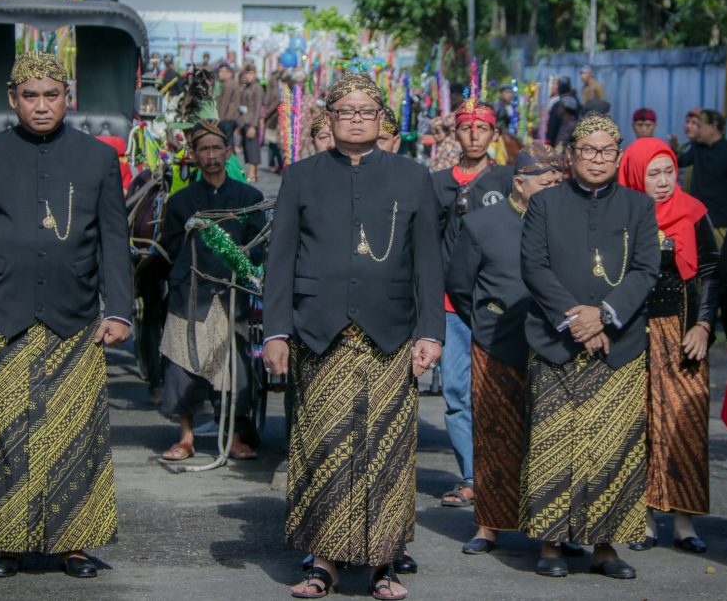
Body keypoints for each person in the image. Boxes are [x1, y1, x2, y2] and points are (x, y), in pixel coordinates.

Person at [0, 51, 132, 579]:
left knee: (74, 432)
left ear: (68, 97)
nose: (41, 106)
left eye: (51, 95)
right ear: (12, 99)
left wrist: (119, 309)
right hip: (4, 315)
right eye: (30, 96)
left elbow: (114, 239)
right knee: (5, 432)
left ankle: (74, 544)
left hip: (75, 318)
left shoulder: (97, 157)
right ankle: (6, 542)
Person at [263, 72, 443, 600]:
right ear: (331, 118)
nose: (357, 119)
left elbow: (427, 263)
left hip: (391, 336)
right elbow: (281, 260)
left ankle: (384, 564)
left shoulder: (413, 177)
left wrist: (431, 332)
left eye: (367, 111)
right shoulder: (301, 176)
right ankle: (324, 563)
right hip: (320, 334)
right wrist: (276, 332)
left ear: (382, 119)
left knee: (386, 449)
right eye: (346, 111)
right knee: (323, 447)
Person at [519, 113, 659, 580]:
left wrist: (605, 315)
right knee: (554, 443)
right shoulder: (546, 203)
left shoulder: (639, 206)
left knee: (613, 446)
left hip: (619, 344)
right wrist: (577, 318)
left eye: (606, 151)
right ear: (571, 156)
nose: (597, 159)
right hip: (556, 341)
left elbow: (645, 269)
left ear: (618, 156)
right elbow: (534, 266)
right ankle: (551, 543)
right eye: (588, 150)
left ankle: (605, 545)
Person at [446, 146, 563, 556]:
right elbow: (460, 285)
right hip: (496, 341)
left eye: (558, 182)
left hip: (553, 344)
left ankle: (551, 529)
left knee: (550, 437)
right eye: (546, 183)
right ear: (519, 184)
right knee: (494, 434)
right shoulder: (482, 223)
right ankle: (489, 525)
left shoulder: (563, 222)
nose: (554, 189)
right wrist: (484, 322)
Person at [617, 138, 720, 554]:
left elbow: (711, 271)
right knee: (639, 424)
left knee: (684, 423)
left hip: (682, 335)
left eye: (668, 172)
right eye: (652, 174)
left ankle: (683, 521)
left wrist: (704, 325)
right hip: (634, 334)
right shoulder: (621, 214)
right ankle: (643, 518)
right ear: (634, 175)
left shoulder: (693, 212)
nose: (662, 182)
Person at [158, 120, 265, 462]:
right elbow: (172, 247)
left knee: (233, 368)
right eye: (204, 149)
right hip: (190, 293)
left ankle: (233, 438)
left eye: (217, 148)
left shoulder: (249, 198)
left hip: (231, 293)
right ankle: (186, 438)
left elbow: (258, 248)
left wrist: (237, 266)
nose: (211, 155)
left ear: (229, 152)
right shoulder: (181, 201)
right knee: (182, 365)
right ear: (193, 155)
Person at [430, 98, 514, 510]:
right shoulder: (437, 184)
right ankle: (471, 476)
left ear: (494, 134)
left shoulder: (508, 181)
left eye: (483, 128)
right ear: (456, 133)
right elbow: (426, 244)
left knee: (499, 391)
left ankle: (504, 472)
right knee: (457, 392)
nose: (474, 135)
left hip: (500, 306)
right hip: (450, 306)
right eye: (466, 128)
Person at [677, 109, 727, 242]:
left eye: (700, 126)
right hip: (698, 218)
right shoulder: (697, 148)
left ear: (713, 127)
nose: (697, 130)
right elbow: (681, 161)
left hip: (723, 223)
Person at [236, 67, 264, 183]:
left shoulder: (257, 88)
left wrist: (254, 125)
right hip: (244, 120)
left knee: (253, 148)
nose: (247, 76)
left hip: (252, 121)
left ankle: (252, 173)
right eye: (246, 73)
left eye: (250, 73)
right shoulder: (245, 87)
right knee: (247, 148)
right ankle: (255, 173)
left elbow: (258, 108)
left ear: (255, 74)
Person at [545, 76, 574, 144]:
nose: (554, 86)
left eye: (556, 84)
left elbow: (552, 125)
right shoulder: (574, 101)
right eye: (553, 84)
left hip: (560, 140)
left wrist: (549, 141)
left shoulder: (557, 104)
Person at [215, 64, 240, 146]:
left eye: (222, 71)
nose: (219, 74)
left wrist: (219, 119)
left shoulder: (228, 84)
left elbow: (224, 104)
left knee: (226, 142)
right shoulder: (230, 83)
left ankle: (230, 154)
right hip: (231, 117)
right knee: (229, 141)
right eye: (219, 71)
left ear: (229, 73)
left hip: (227, 118)